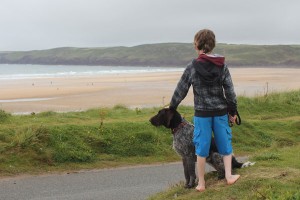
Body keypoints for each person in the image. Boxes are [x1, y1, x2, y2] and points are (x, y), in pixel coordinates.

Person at [169, 29, 240, 192]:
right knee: (225, 145)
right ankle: (229, 176)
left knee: (201, 147)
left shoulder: (192, 66)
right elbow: (229, 91)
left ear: (197, 45)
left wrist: (172, 107)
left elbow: (181, 89)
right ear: (213, 45)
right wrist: (233, 111)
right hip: (221, 112)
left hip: (202, 114)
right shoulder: (222, 66)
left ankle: (201, 184)